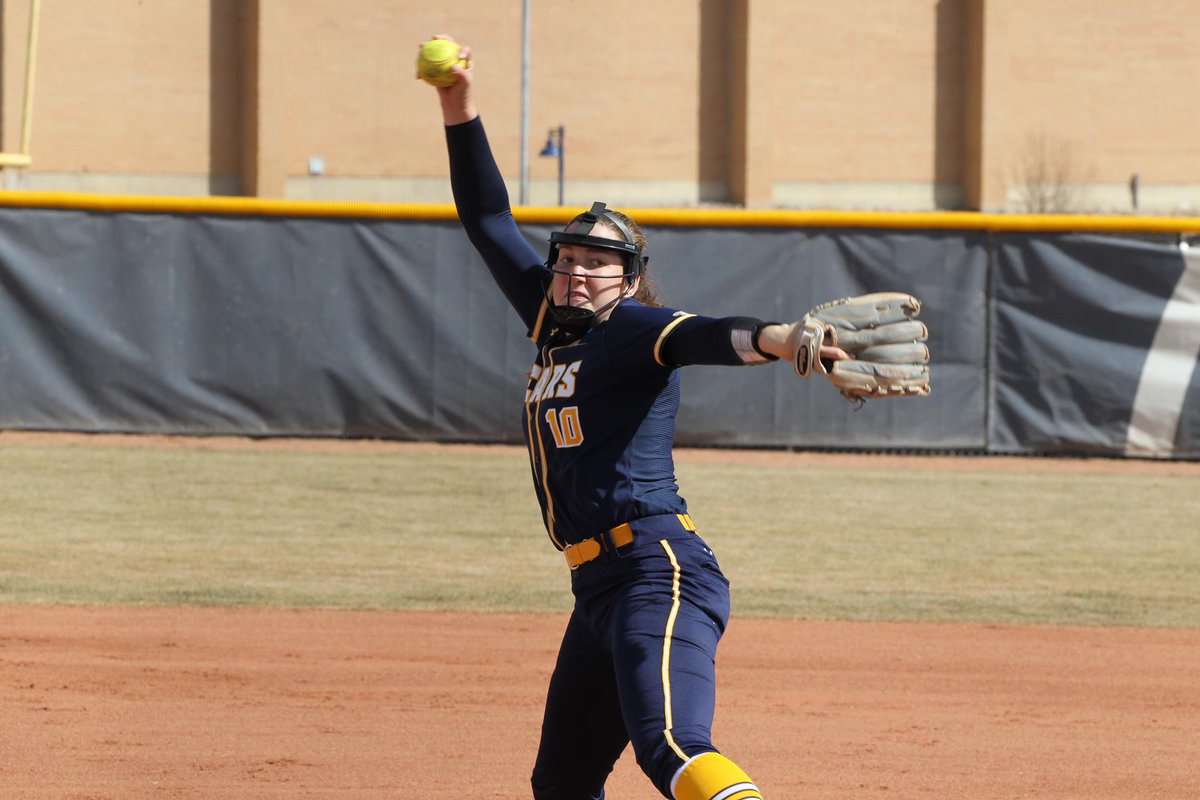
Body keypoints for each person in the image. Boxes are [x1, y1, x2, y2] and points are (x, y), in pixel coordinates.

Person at [424, 36, 852, 800]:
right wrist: (456, 102)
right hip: (597, 585)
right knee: (560, 783)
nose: (578, 270)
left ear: (628, 281)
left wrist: (785, 338)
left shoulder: (631, 330)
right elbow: (488, 217)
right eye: (569, 257)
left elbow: (709, 335)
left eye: (599, 263)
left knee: (673, 747)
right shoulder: (555, 322)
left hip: (659, 570)